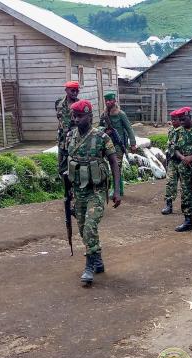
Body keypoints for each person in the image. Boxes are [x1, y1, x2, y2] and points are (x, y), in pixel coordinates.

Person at [62, 99, 122, 285]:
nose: (76, 119)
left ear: (90, 117)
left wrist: (117, 190)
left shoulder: (101, 137)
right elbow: (67, 161)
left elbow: (114, 163)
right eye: (74, 116)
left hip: (96, 191)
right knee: (82, 229)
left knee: (89, 226)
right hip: (78, 191)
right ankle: (98, 258)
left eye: (80, 116)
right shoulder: (70, 136)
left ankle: (88, 266)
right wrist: (68, 190)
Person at [99, 91, 137, 196]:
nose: (107, 102)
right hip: (108, 144)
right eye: (106, 100)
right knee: (112, 166)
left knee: (117, 165)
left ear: (114, 101)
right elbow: (99, 127)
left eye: (110, 100)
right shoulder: (104, 114)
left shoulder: (120, 114)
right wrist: (105, 130)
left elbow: (129, 129)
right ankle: (119, 189)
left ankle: (116, 189)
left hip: (119, 144)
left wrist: (133, 144)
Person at [55, 81, 80, 175]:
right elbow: (60, 119)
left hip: (75, 141)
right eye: (72, 91)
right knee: (61, 167)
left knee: (75, 166)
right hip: (62, 140)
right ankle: (65, 187)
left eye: (77, 91)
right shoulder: (59, 103)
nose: (75, 93)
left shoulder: (80, 105)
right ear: (66, 90)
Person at [161, 110, 182, 215]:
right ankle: (169, 205)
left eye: (175, 120)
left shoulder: (183, 131)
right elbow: (169, 146)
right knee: (170, 183)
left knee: (185, 185)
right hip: (173, 161)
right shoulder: (171, 131)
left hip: (183, 161)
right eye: (172, 120)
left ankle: (187, 205)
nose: (173, 122)